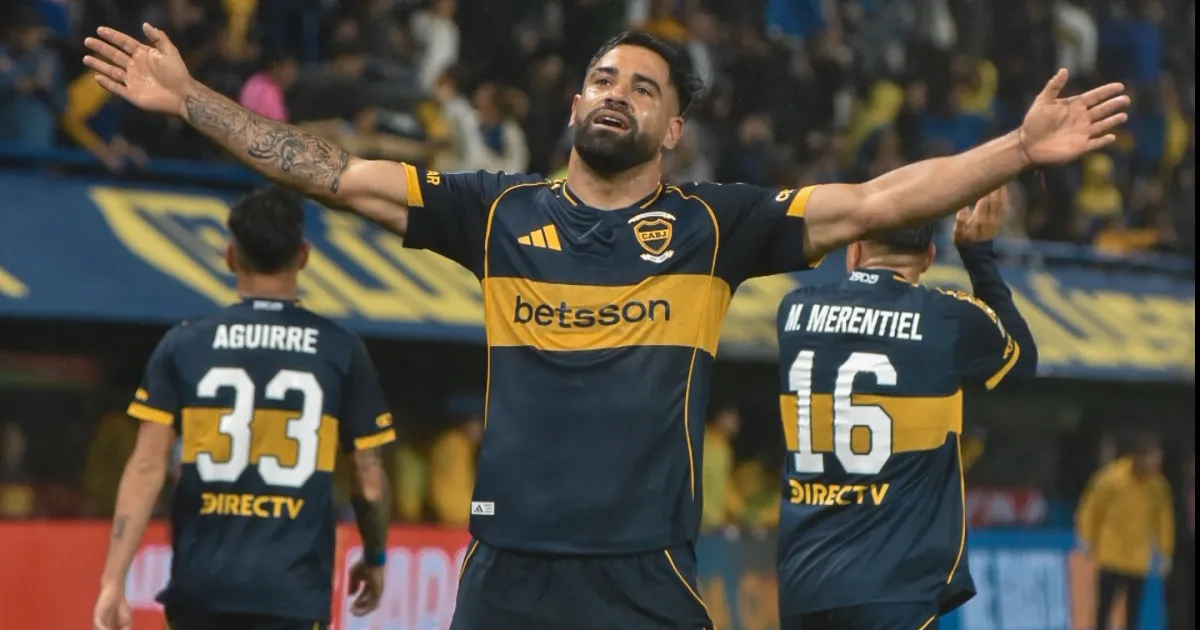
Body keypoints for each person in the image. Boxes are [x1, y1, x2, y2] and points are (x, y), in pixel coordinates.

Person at [82, 23, 1128, 629]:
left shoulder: (716, 227)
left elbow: (879, 199)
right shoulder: (493, 212)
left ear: (674, 128)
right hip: (506, 570)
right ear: (575, 103)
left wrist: (1016, 150)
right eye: (601, 78)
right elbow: (327, 170)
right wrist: (191, 99)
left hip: (644, 575)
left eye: (643, 87)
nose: (615, 93)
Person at [91, 187, 396, 630]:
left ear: (230, 256)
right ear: (304, 256)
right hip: (292, 593)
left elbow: (146, 466)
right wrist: (374, 557)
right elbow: (368, 482)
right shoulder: (341, 350)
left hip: (202, 589)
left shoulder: (184, 343)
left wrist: (113, 580)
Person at [773, 188, 1039, 630]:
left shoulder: (793, 310)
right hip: (896, 585)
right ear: (929, 256)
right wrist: (978, 256)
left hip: (804, 583)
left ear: (855, 250)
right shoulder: (948, 318)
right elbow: (1022, 365)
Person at [1076, 434, 1175, 630]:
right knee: (1104, 607)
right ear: (1140, 457)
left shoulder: (1158, 485)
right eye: (1153, 458)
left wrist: (1165, 551)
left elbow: (1164, 519)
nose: (1157, 464)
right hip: (1111, 554)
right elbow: (1092, 506)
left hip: (1137, 558)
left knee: (1133, 611)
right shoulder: (1112, 477)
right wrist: (1085, 535)